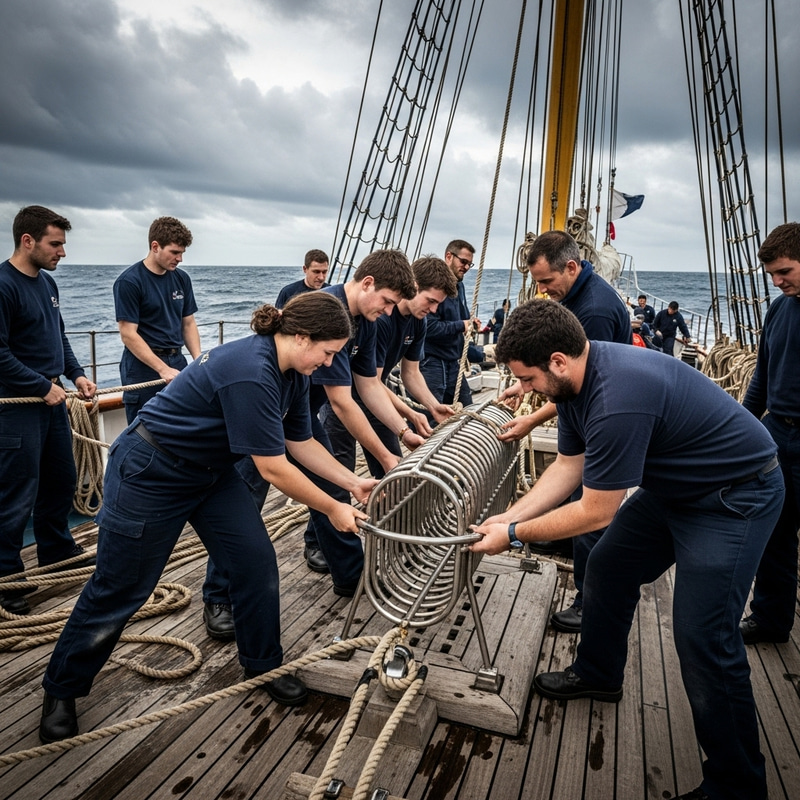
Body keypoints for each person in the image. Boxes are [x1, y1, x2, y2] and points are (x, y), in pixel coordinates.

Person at [470, 299, 783, 800]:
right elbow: (569, 465)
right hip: (676, 490)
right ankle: (598, 672)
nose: (525, 392)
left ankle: (738, 784)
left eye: (527, 379)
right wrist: (512, 515)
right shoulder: (576, 383)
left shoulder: (619, 396)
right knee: (609, 565)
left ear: (557, 361)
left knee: (704, 637)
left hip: (734, 497)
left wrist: (510, 537)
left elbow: (596, 511)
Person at [39, 292, 378, 743]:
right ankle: (61, 688)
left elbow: (300, 443)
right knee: (121, 587)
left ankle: (262, 666)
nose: (330, 362)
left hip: (209, 475)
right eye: (329, 352)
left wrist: (350, 484)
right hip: (150, 471)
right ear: (300, 337)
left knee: (255, 564)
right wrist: (332, 506)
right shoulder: (252, 372)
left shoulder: (295, 372)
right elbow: (271, 467)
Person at [497, 229, 632, 633]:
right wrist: (524, 384)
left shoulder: (592, 312)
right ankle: (561, 537)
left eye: (545, 282)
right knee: (570, 484)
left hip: (603, 418)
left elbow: (575, 381)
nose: (540, 291)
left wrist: (530, 419)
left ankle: (588, 601)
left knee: (590, 513)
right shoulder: (573, 298)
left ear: (571, 267)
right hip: (584, 412)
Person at [0, 206, 97, 615]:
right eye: (55, 244)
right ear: (28, 241)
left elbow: (59, 336)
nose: (62, 252)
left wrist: (75, 375)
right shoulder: (3, 286)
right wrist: (41, 386)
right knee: (16, 492)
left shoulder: (47, 285)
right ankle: (6, 578)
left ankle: (56, 551)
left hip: (52, 398)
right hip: (17, 406)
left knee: (61, 478)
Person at [304, 249, 420, 594]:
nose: (387, 312)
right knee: (248, 496)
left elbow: (369, 385)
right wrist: (386, 457)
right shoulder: (329, 311)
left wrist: (402, 430)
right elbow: (341, 402)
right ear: (367, 283)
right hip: (271, 410)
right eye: (386, 301)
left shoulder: (367, 324)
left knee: (333, 488)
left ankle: (352, 578)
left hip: (301, 413)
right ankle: (220, 596)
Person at [325, 255, 458, 480]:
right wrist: (409, 416)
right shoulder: (375, 318)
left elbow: (407, 374)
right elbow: (353, 392)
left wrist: (428, 410)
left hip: (375, 398)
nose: (434, 310)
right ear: (415, 288)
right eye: (430, 301)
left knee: (392, 472)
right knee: (340, 479)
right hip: (339, 400)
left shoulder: (406, 321)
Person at [739, 222, 800, 646]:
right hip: (777, 431)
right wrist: (742, 427)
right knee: (774, 530)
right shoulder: (779, 309)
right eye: (773, 276)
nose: (778, 283)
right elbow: (761, 376)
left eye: (785, 272)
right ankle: (771, 619)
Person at [113, 217, 201, 424]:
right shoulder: (129, 281)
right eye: (174, 252)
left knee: (181, 425)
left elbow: (187, 323)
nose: (179, 259)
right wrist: (162, 369)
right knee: (143, 431)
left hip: (177, 360)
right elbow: (128, 334)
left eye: (182, 253)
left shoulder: (182, 279)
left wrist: (198, 359)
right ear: (155, 246)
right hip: (143, 365)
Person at [419, 240, 481, 411]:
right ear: (449, 256)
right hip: (432, 363)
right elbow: (429, 328)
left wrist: (470, 323)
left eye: (470, 263)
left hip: (452, 362)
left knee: (468, 411)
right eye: (463, 262)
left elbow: (462, 317)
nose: (467, 267)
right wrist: (461, 325)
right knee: (429, 417)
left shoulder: (458, 286)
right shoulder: (435, 286)